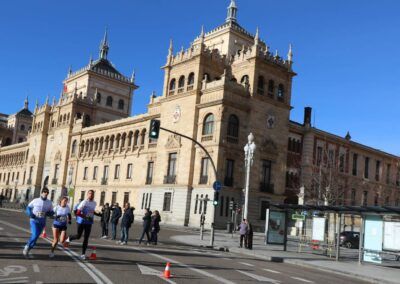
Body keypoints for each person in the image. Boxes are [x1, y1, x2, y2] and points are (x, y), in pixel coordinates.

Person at [65, 190, 97, 260]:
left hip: (89, 222)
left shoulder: (94, 203)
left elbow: (92, 211)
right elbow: (78, 213)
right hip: (81, 221)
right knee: (78, 236)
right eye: (90, 194)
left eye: (92, 194)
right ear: (87, 195)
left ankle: (83, 254)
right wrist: (85, 217)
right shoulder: (84, 202)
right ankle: (70, 238)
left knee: (86, 238)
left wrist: (98, 214)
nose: (91, 195)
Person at [23, 187, 54, 257]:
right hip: (34, 220)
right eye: (44, 192)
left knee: (36, 237)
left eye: (47, 192)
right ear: (42, 193)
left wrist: (48, 214)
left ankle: (29, 248)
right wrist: (30, 214)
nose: (46, 193)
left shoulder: (49, 202)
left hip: (42, 222)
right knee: (35, 234)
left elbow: (51, 211)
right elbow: (28, 207)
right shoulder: (36, 200)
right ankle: (27, 246)